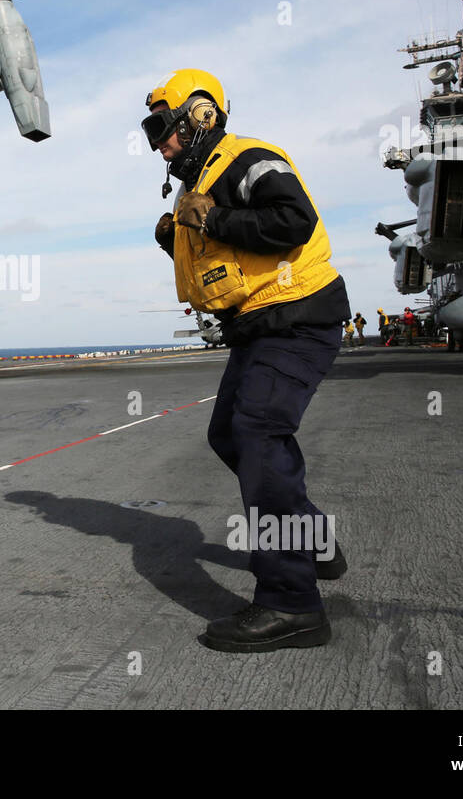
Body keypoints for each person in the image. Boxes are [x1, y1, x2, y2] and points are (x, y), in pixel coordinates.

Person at [146, 68, 350, 653]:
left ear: (200, 116)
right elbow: (228, 255)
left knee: (258, 434)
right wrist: (176, 236)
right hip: (259, 326)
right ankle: (311, 538)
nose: (157, 143)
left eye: (162, 128)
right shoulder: (201, 180)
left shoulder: (247, 157)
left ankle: (292, 605)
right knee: (229, 437)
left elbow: (293, 221)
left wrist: (211, 218)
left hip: (297, 314)